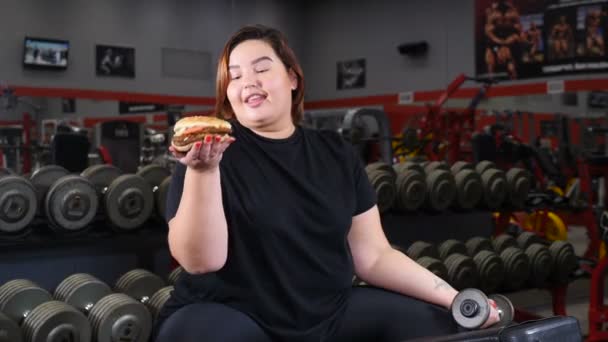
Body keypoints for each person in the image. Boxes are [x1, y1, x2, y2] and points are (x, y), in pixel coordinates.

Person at [154, 25, 500, 342]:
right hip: (232, 313)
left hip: (326, 310)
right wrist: (204, 173)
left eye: (261, 69)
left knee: (442, 326)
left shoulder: (335, 152)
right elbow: (201, 262)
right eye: (235, 76)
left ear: (292, 78)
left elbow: (375, 257)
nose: (248, 82)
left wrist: (458, 300)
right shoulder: (209, 153)